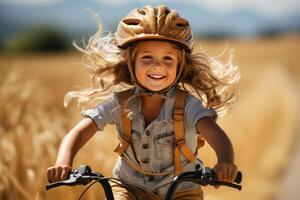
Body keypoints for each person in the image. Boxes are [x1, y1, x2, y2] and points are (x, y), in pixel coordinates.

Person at [47, 5, 240, 200]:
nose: (158, 65)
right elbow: (80, 131)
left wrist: (225, 161)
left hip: (182, 190)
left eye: (168, 59)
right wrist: (64, 162)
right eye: (147, 57)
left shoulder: (189, 105)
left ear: (180, 65)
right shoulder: (119, 102)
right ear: (130, 62)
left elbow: (216, 134)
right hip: (129, 187)